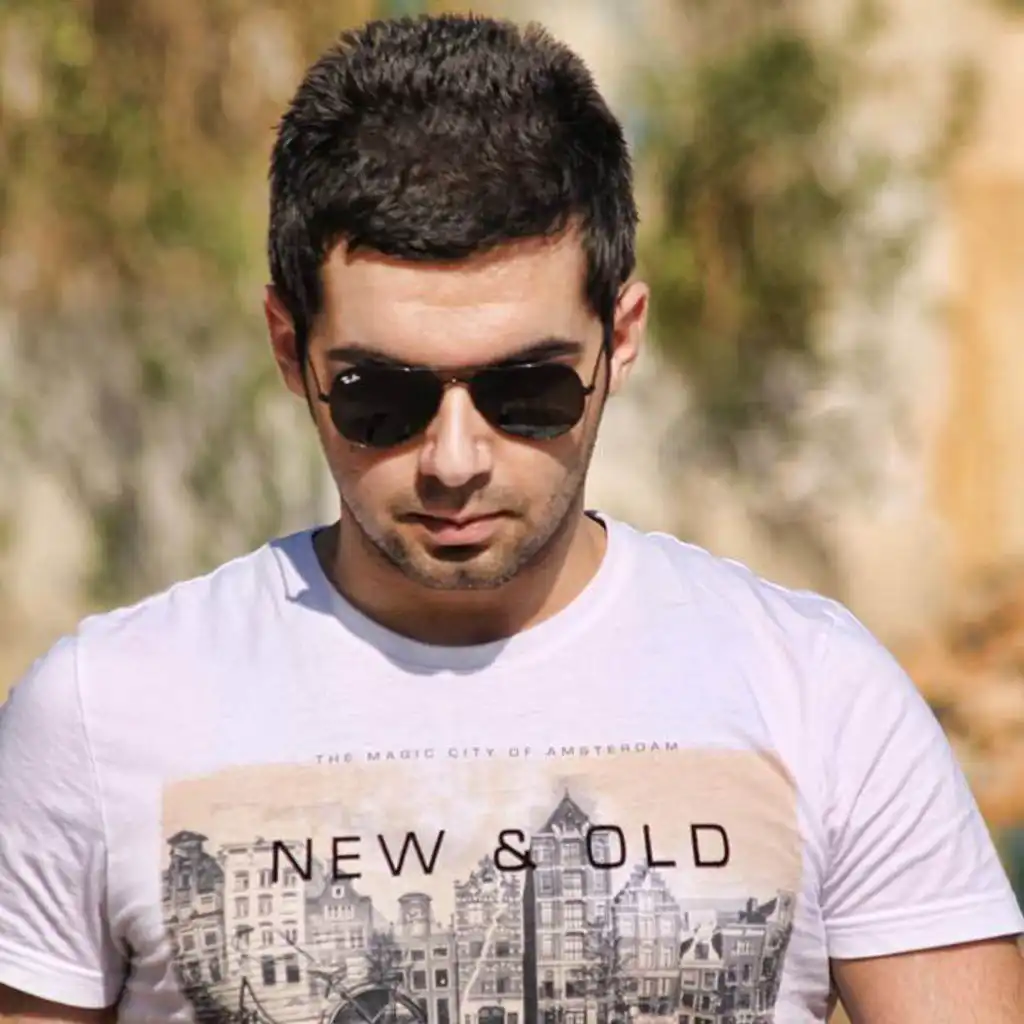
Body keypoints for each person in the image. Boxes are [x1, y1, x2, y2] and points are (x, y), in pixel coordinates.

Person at [0, 12, 1020, 1024]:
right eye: (380, 397)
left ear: (621, 338)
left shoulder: (818, 691)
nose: (455, 460)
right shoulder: (101, 712)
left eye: (527, 391)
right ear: (288, 347)